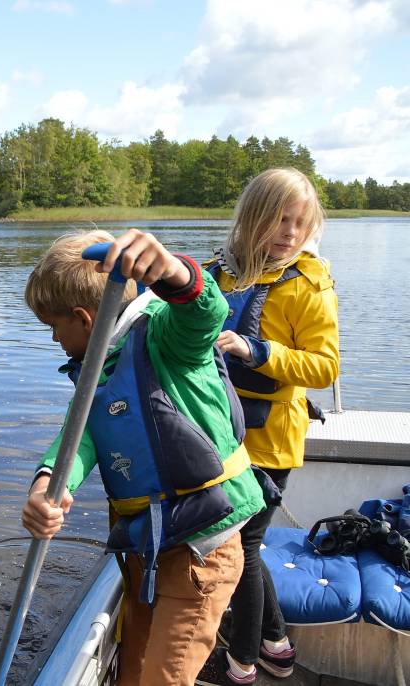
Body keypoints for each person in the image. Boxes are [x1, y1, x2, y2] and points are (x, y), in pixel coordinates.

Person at [22, 229, 267, 686]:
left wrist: (173, 272)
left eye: (54, 326)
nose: (54, 338)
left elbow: (204, 314)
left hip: (201, 549)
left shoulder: (168, 341)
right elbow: (78, 438)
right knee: (131, 673)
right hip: (147, 550)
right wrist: (47, 486)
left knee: (164, 678)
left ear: (83, 317)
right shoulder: (98, 369)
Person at [196, 168, 340, 685]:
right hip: (219, 434)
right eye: (280, 219)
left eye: (301, 222)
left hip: (271, 440)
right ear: (252, 217)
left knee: (242, 550)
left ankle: (241, 666)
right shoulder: (219, 273)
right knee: (243, 547)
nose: (291, 232)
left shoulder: (307, 284)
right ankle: (276, 647)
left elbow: (324, 367)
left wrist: (255, 350)